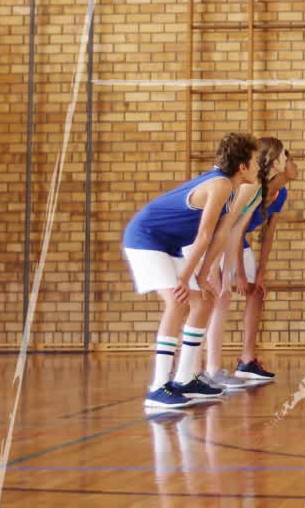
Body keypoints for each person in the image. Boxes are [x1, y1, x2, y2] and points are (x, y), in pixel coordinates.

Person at [123, 132, 258, 409]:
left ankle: (185, 379)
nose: (260, 167)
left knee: (204, 300)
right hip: (145, 237)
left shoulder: (229, 188)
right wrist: (185, 279)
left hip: (168, 243)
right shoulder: (220, 185)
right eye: (256, 161)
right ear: (242, 166)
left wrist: (202, 274)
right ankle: (158, 386)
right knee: (178, 299)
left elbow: (220, 236)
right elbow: (203, 236)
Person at [203, 137, 295, 388]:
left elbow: (250, 232)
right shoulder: (250, 187)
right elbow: (224, 225)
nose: (290, 162)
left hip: (230, 242)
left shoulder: (270, 190)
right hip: (213, 242)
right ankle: (203, 371)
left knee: (229, 297)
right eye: (286, 157)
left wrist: (255, 273)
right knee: (212, 301)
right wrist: (213, 267)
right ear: (274, 161)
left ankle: (227, 365)